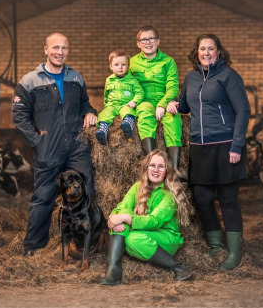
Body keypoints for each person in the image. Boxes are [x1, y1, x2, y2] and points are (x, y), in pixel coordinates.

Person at [167, 34, 251, 270]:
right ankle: (216, 245)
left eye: (210, 49)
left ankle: (235, 252)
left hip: (225, 145)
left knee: (228, 200)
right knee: (202, 199)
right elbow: (185, 104)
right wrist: (175, 104)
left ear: (219, 52)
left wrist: (237, 145)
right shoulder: (192, 77)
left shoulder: (229, 76)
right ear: (197, 52)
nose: (206, 53)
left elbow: (243, 111)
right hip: (199, 146)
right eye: (202, 49)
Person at [12, 33, 97, 256]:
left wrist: (89, 112)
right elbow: (19, 116)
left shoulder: (76, 78)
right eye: (55, 47)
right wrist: (37, 141)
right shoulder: (30, 81)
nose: (60, 52)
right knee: (44, 196)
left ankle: (83, 245)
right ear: (46, 50)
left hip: (77, 147)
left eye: (64, 48)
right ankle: (34, 246)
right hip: (48, 148)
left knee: (86, 190)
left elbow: (85, 104)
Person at [99, 149, 192, 285]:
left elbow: (154, 221)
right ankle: (113, 272)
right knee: (124, 217)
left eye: (161, 166)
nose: (156, 170)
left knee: (132, 237)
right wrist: (115, 218)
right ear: (146, 168)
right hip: (142, 232)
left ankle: (177, 266)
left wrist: (126, 218)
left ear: (167, 170)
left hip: (165, 237)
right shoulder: (137, 186)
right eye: (152, 165)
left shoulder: (170, 194)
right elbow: (121, 207)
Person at [130, 25, 186, 179]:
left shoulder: (168, 61)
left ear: (158, 41)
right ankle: (150, 165)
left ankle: (174, 169)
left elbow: (173, 87)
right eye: (144, 39)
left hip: (164, 99)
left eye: (151, 38)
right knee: (145, 114)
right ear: (138, 43)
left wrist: (163, 104)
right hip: (143, 100)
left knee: (173, 120)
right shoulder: (132, 63)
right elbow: (126, 83)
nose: (148, 42)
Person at [95, 49, 144, 145]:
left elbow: (140, 92)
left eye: (123, 64)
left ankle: (127, 126)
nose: (120, 67)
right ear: (111, 67)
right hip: (112, 105)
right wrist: (106, 106)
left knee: (128, 111)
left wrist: (134, 101)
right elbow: (106, 94)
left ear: (128, 66)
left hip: (125, 104)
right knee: (104, 114)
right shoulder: (109, 80)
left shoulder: (132, 80)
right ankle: (103, 132)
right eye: (116, 65)